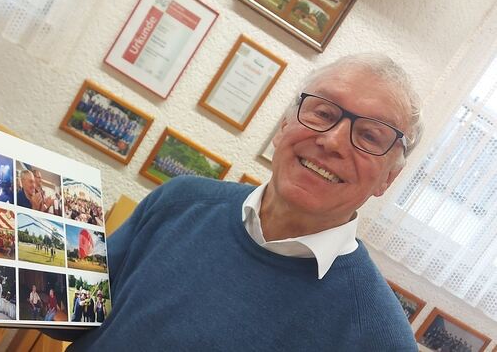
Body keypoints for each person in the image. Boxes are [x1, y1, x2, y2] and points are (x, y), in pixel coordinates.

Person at [45, 54, 423, 350]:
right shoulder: (179, 201)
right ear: (283, 126)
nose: (333, 141)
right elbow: (69, 317)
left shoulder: (380, 337)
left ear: (388, 177)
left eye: (371, 136)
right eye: (323, 112)